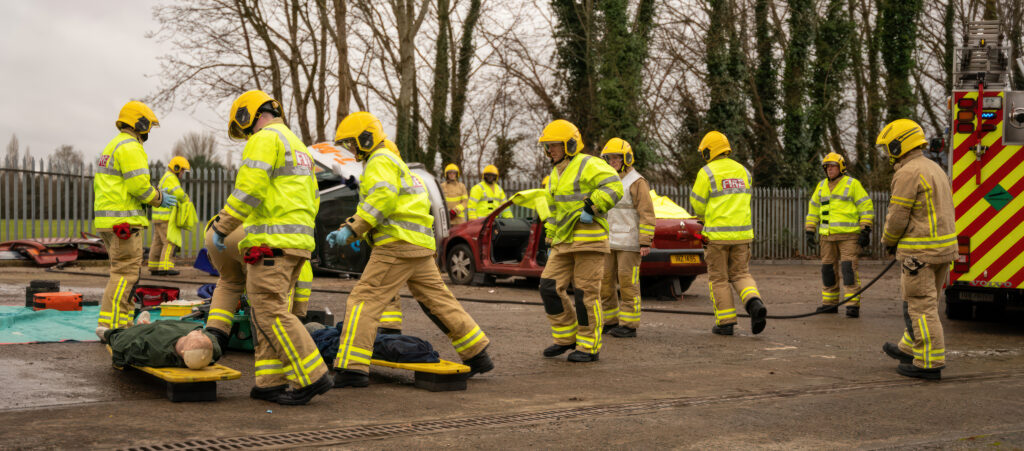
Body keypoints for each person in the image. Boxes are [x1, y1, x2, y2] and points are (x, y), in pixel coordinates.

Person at [327, 111, 493, 388]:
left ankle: (353, 368)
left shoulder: (378, 161)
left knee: (363, 301)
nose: (351, 149)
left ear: (366, 138)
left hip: (396, 245)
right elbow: (391, 202)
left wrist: (353, 227)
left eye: (353, 143)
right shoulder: (395, 162)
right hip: (419, 245)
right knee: (439, 300)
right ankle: (477, 353)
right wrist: (358, 229)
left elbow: (383, 199)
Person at [210, 89, 331, 405]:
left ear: (249, 116)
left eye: (246, 127)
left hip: (272, 243)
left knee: (271, 312)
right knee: (265, 313)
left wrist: (223, 225)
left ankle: (312, 376)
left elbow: (249, 190)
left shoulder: (264, 139)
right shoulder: (299, 147)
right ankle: (269, 382)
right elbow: (312, 199)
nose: (248, 133)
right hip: (295, 244)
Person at [876, 119, 957, 380]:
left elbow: (897, 216)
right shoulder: (933, 167)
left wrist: (888, 241)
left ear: (899, 144)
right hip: (941, 249)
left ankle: (929, 362)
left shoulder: (908, 172)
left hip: (920, 251)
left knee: (921, 306)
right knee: (920, 301)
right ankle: (909, 347)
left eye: (889, 147)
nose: (888, 153)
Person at [536, 119, 623, 362]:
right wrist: (550, 237)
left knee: (586, 294)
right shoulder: (554, 174)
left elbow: (614, 186)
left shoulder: (589, 163)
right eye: (548, 146)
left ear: (571, 145)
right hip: (563, 243)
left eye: (554, 145)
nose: (549, 150)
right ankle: (566, 337)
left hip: (589, 240)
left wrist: (593, 207)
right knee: (548, 286)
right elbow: (554, 211)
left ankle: (588, 346)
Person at [94, 101, 176, 340]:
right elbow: (139, 186)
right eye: (148, 126)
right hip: (125, 223)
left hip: (110, 223)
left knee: (121, 273)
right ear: (139, 123)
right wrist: (159, 198)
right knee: (125, 275)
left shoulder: (113, 146)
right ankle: (110, 326)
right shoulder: (131, 148)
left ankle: (123, 323)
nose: (148, 131)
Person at [689, 131, 767, 336]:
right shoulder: (743, 171)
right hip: (742, 235)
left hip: (716, 237)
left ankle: (725, 323)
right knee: (741, 274)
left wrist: (704, 217)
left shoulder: (706, 172)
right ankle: (754, 303)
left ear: (709, 150)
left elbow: (697, 203)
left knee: (719, 279)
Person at [202, 222, 316, 350]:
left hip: (215, 232)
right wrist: (298, 316)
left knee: (228, 284)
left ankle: (214, 339)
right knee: (279, 290)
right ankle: (273, 344)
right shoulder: (294, 255)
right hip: (250, 237)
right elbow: (301, 290)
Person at [598, 138, 655, 338]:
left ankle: (629, 325)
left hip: (629, 244)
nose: (613, 161)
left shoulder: (637, 182)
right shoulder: (605, 181)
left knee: (628, 284)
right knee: (605, 283)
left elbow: (647, 213)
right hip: (608, 241)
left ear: (627, 159)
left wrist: (645, 241)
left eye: (616, 157)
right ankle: (610, 321)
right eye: (609, 158)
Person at [804, 152, 874, 317]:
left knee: (848, 269)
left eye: (833, 166)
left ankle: (852, 305)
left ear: (841, 168)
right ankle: (829, 304)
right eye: (827, 167)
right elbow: (813, 210)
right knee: (828, 270)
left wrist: (866, 229)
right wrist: (809, 230)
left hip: (848, 236)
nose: (829, 169)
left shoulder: (852, 184)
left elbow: (865, 207)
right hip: (827, 237)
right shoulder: (821, 186)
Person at [106, 318, 221, 370]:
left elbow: (123, 347)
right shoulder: (211, 348)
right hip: (168, 327)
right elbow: (210, 340)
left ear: (183, 351)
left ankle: (143, 324)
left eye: (196, 336)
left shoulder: (155, 351)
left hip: (152, 333)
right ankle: (146, 323)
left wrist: (111, 335)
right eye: (201, 334)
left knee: (125, 335)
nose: (199, 332)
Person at [148, 156, 191, 276]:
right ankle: (165, 267)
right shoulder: (171, 178)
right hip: (166, 217)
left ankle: (154, 266)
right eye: (182, 170)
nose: (182, 174)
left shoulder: (165, 177)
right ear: (176, 168)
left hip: (158, 217)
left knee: (157, 242)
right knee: (170, 242)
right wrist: (186, 199)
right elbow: (178, 194)